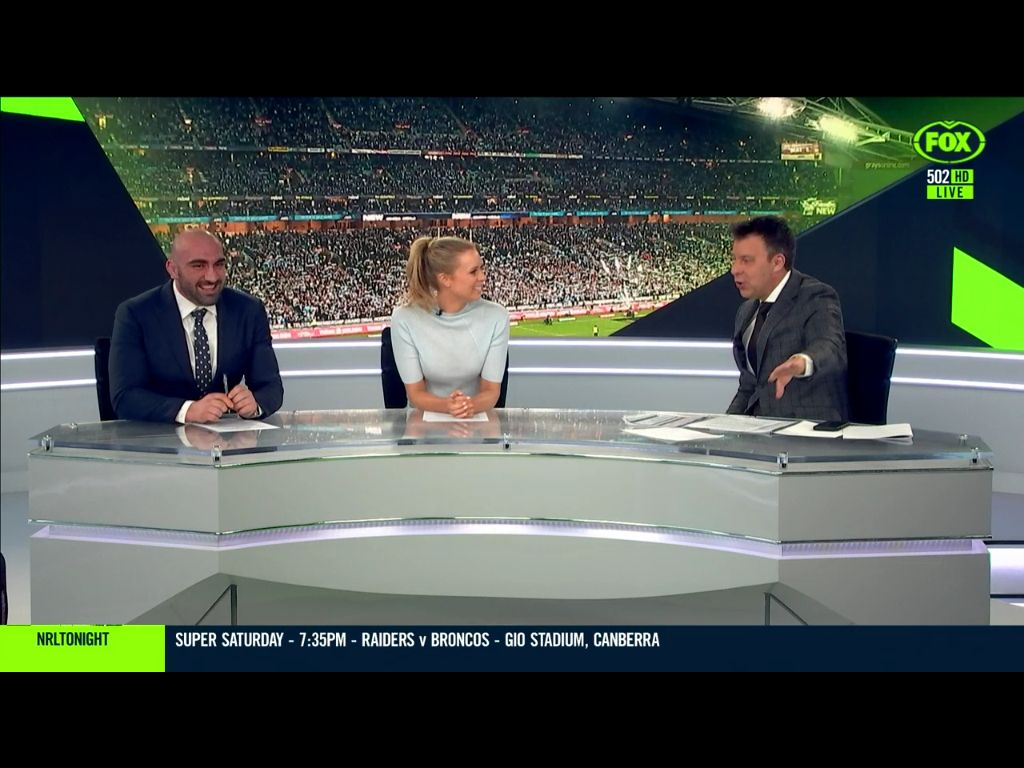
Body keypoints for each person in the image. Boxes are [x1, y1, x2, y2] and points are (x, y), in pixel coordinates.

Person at [109, 229, 284, 423]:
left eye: (219, 264)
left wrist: (255, 403)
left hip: (225, 437)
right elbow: (125, 397)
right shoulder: (136, 314)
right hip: (160, 437)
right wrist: (187, 410)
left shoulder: (248, 311)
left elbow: (270, 387)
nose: (212, 277)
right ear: (173, 269)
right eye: (198, 266)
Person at [726, 216, 849, 422]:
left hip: (807, 428)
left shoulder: (815, 296)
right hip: (760, 429)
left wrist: (801, 362)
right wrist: (723, 426)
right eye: (735, 259)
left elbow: (830, 346)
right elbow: (749, 386)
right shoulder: (746, 312)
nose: (735, 269)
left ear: (777, 262)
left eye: (746, 260)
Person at [389, 235, 509, 419]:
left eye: (481, 268)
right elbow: (416, 394)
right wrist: (449, 406)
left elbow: (491, 392)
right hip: (424, 423)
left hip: (477, 421)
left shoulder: (497, 317)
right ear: (445, 279)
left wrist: (468, 406)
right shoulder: (404, 318)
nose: (483, 277)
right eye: (473, 271)